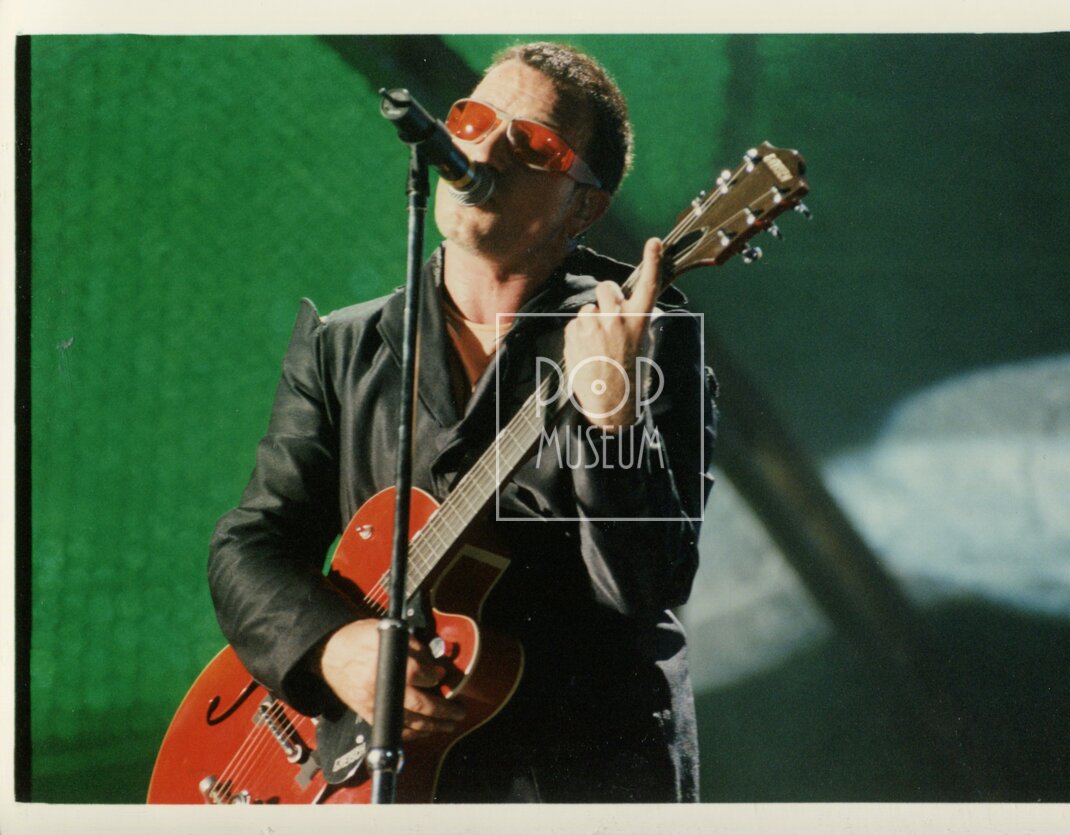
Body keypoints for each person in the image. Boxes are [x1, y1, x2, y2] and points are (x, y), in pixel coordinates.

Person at [208, 41, 716, 803]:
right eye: (474, 119)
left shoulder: (644, 336)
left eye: (534, 144)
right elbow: (250, 543)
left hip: (573, 781)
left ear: (585, 206)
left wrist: (611, 412)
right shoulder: (342, 345)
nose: (485, 148)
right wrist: (334, 646)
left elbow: (646, 585)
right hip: (387, 778)